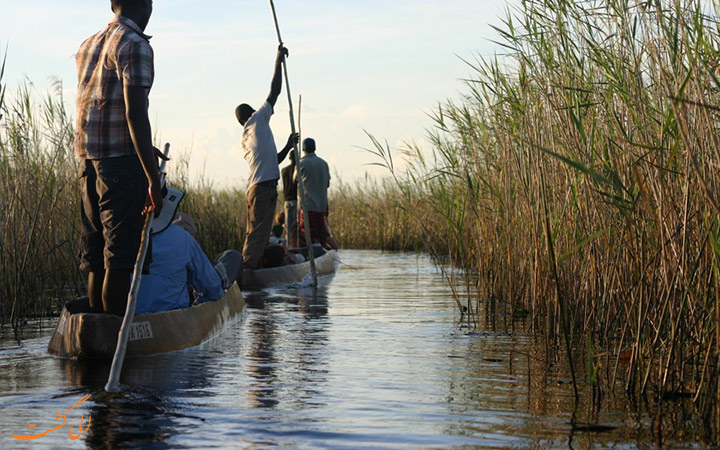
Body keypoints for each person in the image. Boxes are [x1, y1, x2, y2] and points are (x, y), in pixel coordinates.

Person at [75, 0, 164, 316]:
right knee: (121, 257)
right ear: (142, 5)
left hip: (89, 162)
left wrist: (142, 150)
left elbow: (102, 107)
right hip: (120, 166)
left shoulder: (89, 44)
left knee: (97, 258)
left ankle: (98, 336)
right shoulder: (135, 44)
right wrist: (153, 179)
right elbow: (134, 112)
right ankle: (114, 341)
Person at [235, 45, 299, 269]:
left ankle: (253, 269)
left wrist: (288, 146)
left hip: (261, 188)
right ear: (251, 113)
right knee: (257, 234)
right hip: (262, 189)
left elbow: (274, 161)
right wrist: (278, 59)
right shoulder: (257, 120)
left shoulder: (249, 138)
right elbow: (275, 92)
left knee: (258, 234)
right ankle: (247, 272)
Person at [136, 213, 243, 314]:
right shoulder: (182, 238)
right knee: (233, 256)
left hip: (134, 312)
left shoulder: (126, 234)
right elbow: (213, 290)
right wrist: (199, 302)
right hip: (173, 312)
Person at [298, 138, 339, 250]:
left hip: (307, 206)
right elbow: (327, 184)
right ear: (314, 148)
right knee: (322, 234)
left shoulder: (301, 163)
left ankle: (310, 255)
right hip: (321, 206)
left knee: (306, 234)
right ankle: (330, 251)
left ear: (303, 149)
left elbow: (294, 181)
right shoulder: (323, 163)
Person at [281, 150, 298, 248]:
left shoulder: (284, 170)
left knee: (288, 224)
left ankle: (288, 245)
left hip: (286, 199)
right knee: (295, 225)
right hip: (295, 199)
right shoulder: (297, 170)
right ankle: (294, 245)